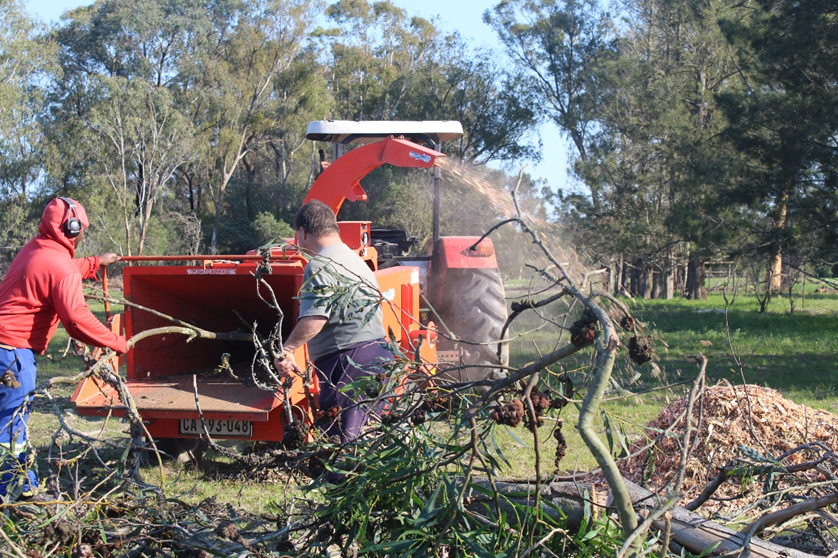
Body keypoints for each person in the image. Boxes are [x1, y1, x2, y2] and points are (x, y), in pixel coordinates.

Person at [0, 197, 128, 499]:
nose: (82, 233)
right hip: (13, 356)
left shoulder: (34, 249)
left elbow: (59, 267)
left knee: (9, 424)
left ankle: (26, 487)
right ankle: (12, 492)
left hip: (3, 348)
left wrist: (96, 263)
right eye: (81, 228)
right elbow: (76, 320)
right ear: (72, 229)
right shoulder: (60, 266)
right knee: (11, 430)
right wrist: (117, 342)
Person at [274, 200, 393, 445]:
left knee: (344, 442)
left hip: (348, 361)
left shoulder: (319, 264)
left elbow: (316, 318)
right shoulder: (355, 261)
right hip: (377, 354)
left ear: (302, 233)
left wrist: (286, 350)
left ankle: (340, 482)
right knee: (367, 434)